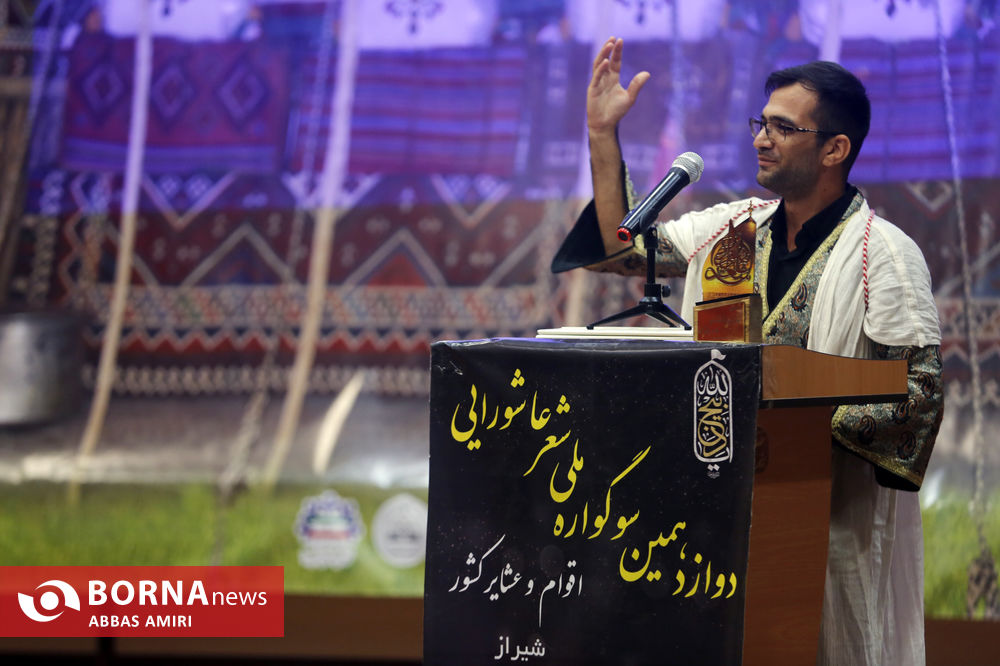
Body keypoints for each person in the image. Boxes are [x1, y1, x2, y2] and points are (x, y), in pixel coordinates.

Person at [552, 37, 944, 665]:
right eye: (760, 123)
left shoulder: (885, 253)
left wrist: (784, 416)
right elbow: (623, 249)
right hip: (709, 520)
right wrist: (603, 135)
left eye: (783, 128)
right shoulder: (730, 229)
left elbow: (918, 399)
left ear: (835, 149)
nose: (762, 138)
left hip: (825, 527)